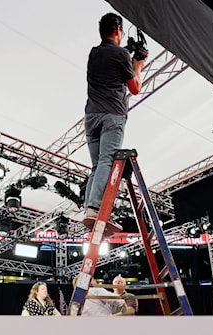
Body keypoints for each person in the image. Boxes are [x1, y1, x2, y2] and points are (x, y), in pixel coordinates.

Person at [81, 12, 146, 234]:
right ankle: (94, 209)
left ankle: (89, 208)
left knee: (97, 166)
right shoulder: (120, 55)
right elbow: (135, 88)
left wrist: (127, 52)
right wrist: (138, 65)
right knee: (107, 162)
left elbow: (113, 57)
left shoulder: (94, 53)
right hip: (112, 116)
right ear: (118, 30)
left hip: (91, 117)